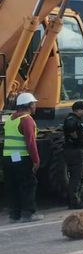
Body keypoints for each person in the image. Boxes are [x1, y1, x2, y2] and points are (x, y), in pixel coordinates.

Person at [2, 92, 43, 223]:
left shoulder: (10, 119)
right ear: (29, 105)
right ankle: (29, 213)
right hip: (22, 158)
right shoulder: (26, 119)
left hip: (8, 158)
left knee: (12, 186)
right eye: (34, 104)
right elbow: (31, 142)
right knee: (28, 185)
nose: (35, 106)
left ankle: (14, 215)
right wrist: (36, 160)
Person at [63, 101, 83, 209]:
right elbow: (71, 129)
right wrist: (78, 138)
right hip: (74, 151)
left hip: (76, 150)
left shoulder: (76, 120)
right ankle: (74, 202)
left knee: (81, 175)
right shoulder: (72, 119)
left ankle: (76, 199)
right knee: (77, 177)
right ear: (78, 110)